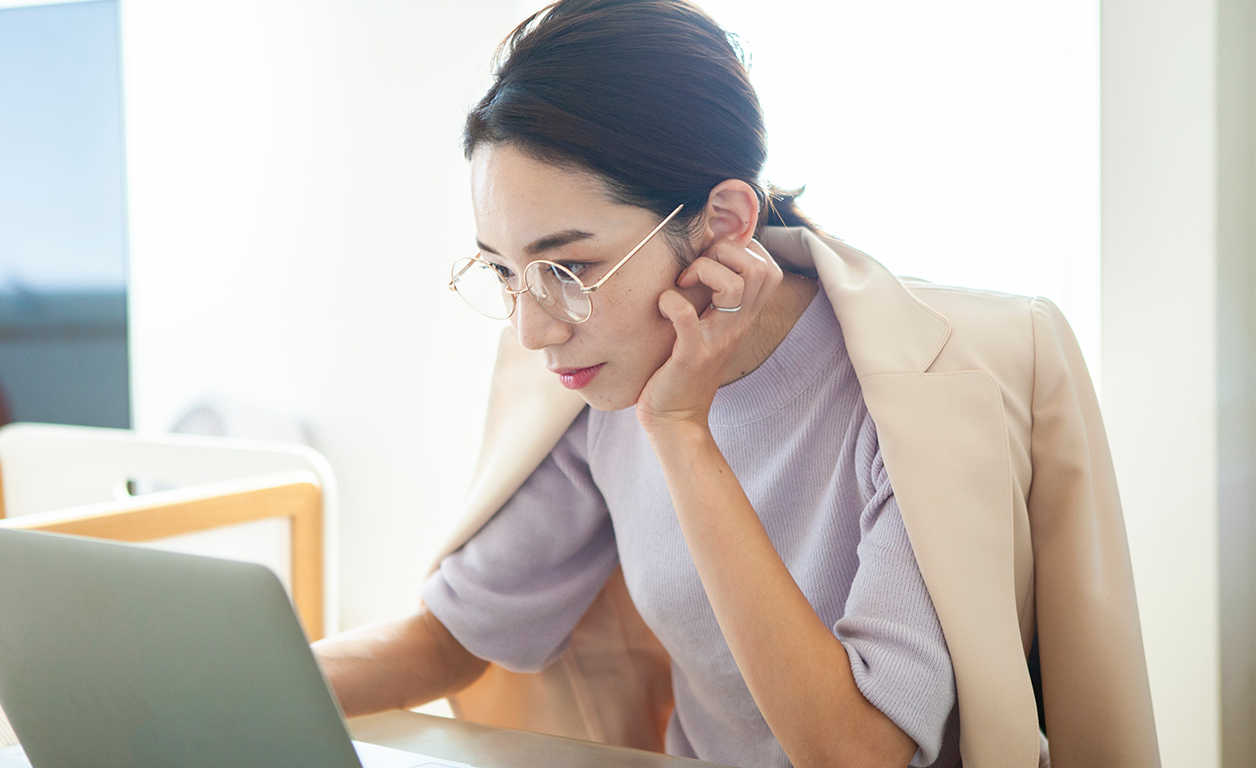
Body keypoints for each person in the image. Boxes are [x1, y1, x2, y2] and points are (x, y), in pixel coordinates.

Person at [311, 2, 1160, 767]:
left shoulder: (914, 391)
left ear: (724, 220)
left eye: (571, 266)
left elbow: (860, 754)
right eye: (505, 271)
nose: (533, 329)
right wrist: (196, 687)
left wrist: (681, 431)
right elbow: (457, 636)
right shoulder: (592, 379)